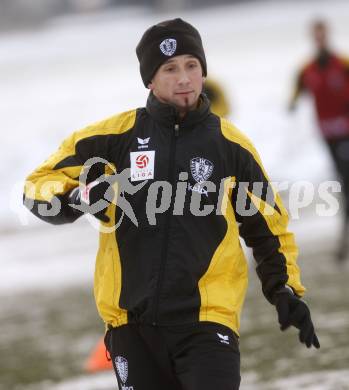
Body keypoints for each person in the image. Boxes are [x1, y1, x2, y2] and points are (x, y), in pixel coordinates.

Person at [24, 18, 319, 390]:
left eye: (191, 66)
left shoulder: (231, 146)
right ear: (150, 79)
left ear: (203, 71)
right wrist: (80, 198)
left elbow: (267, 227)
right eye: (170, 69)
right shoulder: (114, 138)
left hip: (208, 322)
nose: (184, 78)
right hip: (132, 326)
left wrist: (284, 288)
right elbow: (36, 188)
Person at [289, 19, 349, 262]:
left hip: (346, 132)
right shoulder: (307, 69)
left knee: (346, 181)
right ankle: (343, 241)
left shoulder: (342, 64)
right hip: (328, 135)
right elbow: (295, 93)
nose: (320, 39)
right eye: (316, 35)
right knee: (343, 181)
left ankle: (342, 243)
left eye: (322, 34)